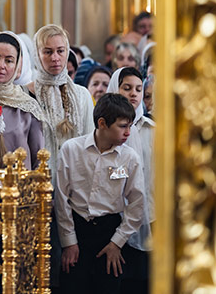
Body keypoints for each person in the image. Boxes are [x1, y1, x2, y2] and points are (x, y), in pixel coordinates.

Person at [56, 93, 145, 293]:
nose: (128, 133)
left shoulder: (129, 158)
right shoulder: (71, 149)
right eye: (123, 126)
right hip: (77, 228)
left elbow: (137, 204)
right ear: (102, 123)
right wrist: (69, 242)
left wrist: (117, 243)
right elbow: (61, 199)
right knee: (72, 286)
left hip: (110, 232)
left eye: (130, 126)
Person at [107, 67, 155, 293]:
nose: (134, 94)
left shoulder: (151, 130)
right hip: (114, 219)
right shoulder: (102, 132)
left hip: (150, 216)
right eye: (127, 88)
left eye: (138, 89)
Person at [0, 31, 46, 170]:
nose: (1, 65)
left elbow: (38, 159)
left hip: (19, 187)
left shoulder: (27, 106)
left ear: (17, 65)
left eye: (9, 61)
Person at [29, 24, 95, 165]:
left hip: (76, 175)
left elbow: (90, 140)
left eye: (60, 51)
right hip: (39, 176)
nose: (55, 58)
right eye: (48, 52)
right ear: (37, 55)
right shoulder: (26, 93)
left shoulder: (82, 95)